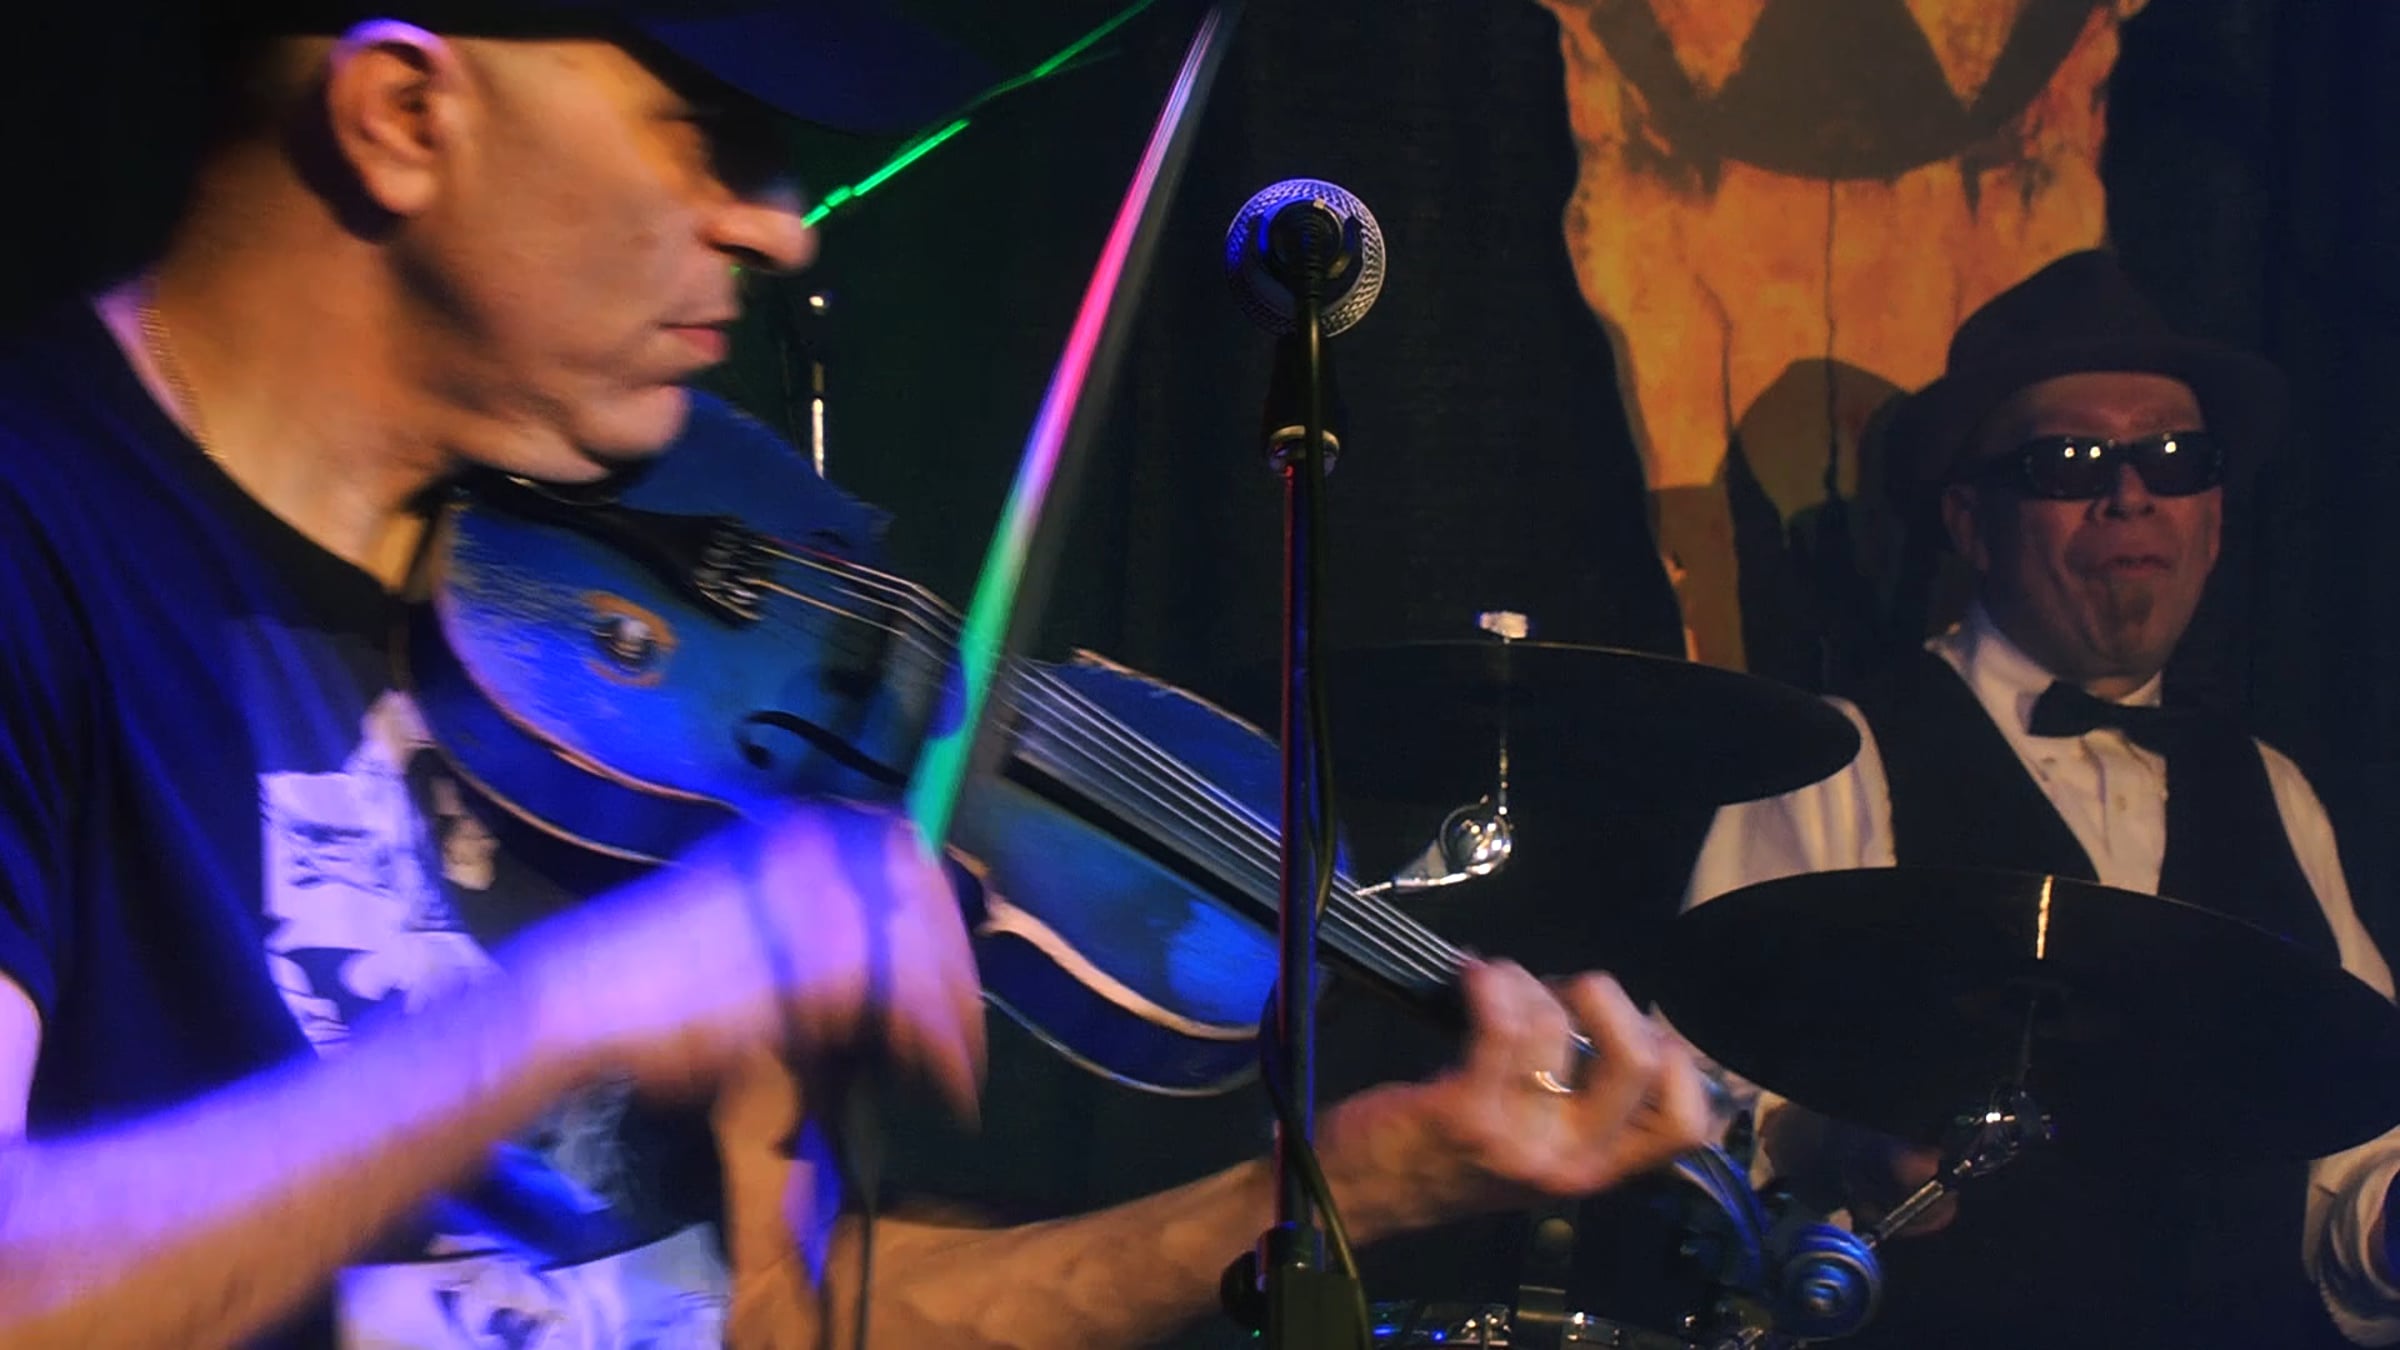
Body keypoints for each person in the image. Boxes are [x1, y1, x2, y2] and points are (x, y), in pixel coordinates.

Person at [0, 2, 1713, 1347]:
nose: (785, 229)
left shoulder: (692, 555)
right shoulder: (38, 548)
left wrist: (1332, 1195)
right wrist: (565, 1009)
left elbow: (779, 1310)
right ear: (401, 115)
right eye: (707, 132)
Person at [1681, 249, 2400, 1348]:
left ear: (2212, 520)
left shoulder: (2278, 790)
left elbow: (2354, 1148)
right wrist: (1842, 1151)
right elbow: (1699, 1109)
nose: (2130, 495)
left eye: (2175, 458)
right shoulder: (1839, 760)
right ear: (1972, 523)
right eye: (2070, 463)